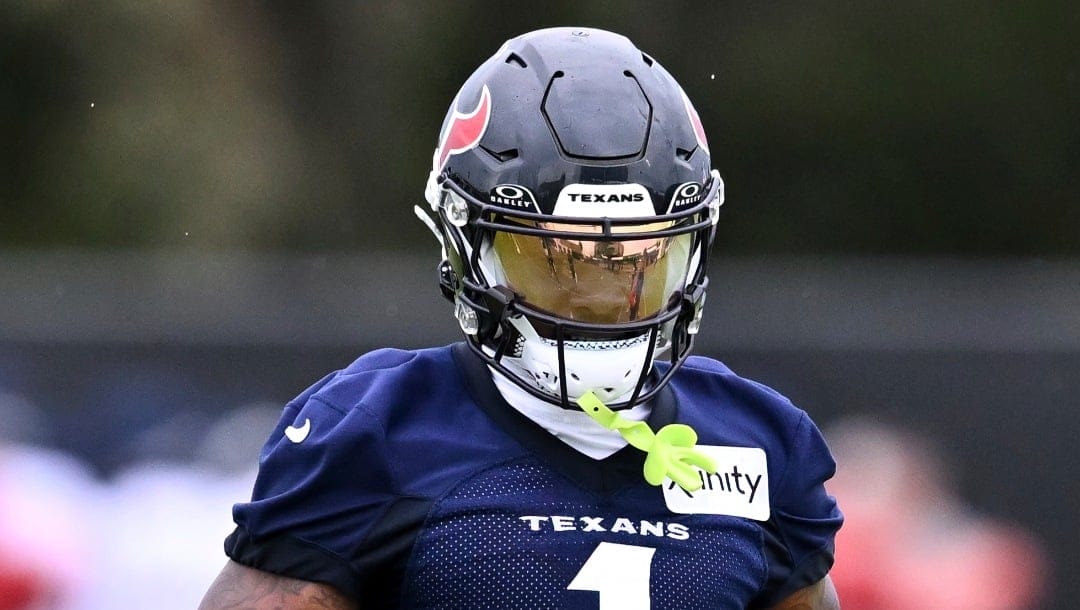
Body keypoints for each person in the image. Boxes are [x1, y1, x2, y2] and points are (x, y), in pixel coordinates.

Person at [200, 26, 843, 610]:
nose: (598, 297)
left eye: (638, 259)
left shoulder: (762, 444)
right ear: (465, 244)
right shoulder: (375, 433)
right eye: (558, 258)